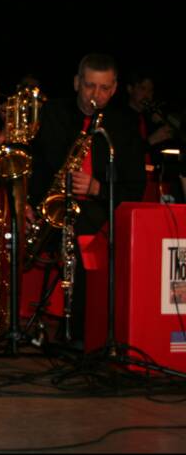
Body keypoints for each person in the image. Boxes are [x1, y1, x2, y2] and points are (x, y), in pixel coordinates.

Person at [28, 53, 146, 343]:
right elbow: (35, 166)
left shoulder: (125, 124)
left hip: (101, 212)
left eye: (105, 88)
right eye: (90, 86)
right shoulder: (52, 113)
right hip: (52, 212)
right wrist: (26, 204)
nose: (97, 95)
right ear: (76, 83)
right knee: (83, 233)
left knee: (89, 234)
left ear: (116, 88)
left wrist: (97, 189)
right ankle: (76, 331)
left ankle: (84, 331)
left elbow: (135, 186)